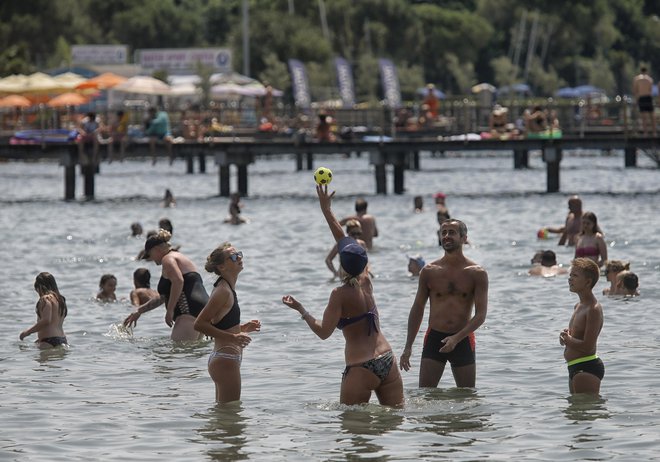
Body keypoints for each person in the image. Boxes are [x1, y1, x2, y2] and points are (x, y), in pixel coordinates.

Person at [281, 185, 404, 407]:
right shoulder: (367, 280)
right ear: (364, 261)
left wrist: (302, 310)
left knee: (353, 431)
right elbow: (343, 239)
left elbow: (323, 332)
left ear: (341, 265)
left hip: (360, 367)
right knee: (394, 423)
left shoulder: (339, 294)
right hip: (387, 359)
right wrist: (327, 211)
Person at [400, 219, 488, 388]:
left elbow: (481, 315)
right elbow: (417, 308)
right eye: (444, 232)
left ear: (464, 238)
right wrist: (408, 346)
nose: (447, 236)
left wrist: (456, 338)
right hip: (435, 338)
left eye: (452, 232)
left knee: (466, 398)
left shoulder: (477, 273)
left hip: (463, 339)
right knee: (426, 397)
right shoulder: (429, 271)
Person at [194, 243, 261, 403]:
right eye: (233, 256)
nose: (239, 257)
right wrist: (233, 338)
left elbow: (218, 323)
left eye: (239, 254)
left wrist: (243, 328)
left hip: (225, 359)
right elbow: (199, 324)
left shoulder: (227, 289)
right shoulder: (223, 291)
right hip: (225, 359)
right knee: (230, 416)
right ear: (222, 267)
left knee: (224, 417)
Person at [123, 230, 208, 341]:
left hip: (187, 311)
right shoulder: (180, 257)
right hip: (203, 311)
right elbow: (164, 297)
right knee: (192, 355)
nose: (151, 259)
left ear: (156, 250)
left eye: (150, 255)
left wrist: (170, 310)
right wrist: (139, 311)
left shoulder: (168, 259)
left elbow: (178, 281)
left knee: (178, 356)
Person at [559, 258, 604, 395]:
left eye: (575, 276)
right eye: (570, 275)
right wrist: (565, 337)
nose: (570, 279)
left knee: (584, 413)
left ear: (588, 282)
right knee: (575, 413)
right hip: (574, 366)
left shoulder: (593, 309)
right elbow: (576, 338)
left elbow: (588, 346)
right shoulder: (578, 306)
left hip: (586, 367)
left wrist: (568, 339)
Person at [20, 272, 68, 348]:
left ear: (40, 287)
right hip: (62, 339)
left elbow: (46, 320)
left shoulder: (45, 299)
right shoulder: (61, 300)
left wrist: (27, 332)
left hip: (48, 341)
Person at [632, 66, 656, 137]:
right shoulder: (649, 79)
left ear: (640, 71)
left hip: (641, 97)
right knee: (652, 115)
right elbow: (650, 90)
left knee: (643, 116)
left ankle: (645, 133)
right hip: (648, 97)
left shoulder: (637, 79)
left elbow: (635, 90)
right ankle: (654, 132)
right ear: (646, 71)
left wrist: (636, 100)